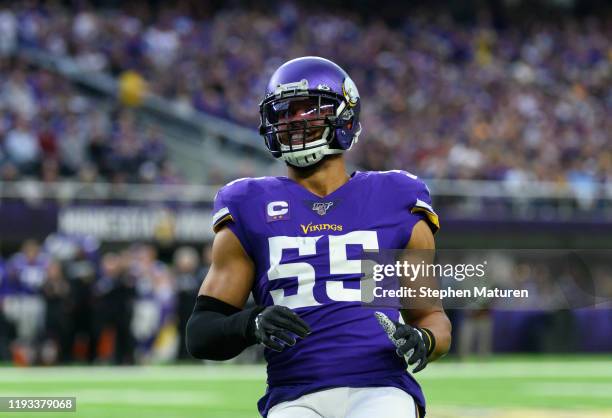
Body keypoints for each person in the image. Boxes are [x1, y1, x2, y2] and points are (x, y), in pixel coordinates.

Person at [186, 56, 451, 418]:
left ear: (345, 115)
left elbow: (431, 316)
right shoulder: (248, 204)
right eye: (283, 113)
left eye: (307, 110)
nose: (292, 122)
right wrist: (252, 323)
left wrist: (425, 340)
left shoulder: (395, 198)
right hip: (294, 393)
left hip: (381, 386)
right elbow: (201, 332)